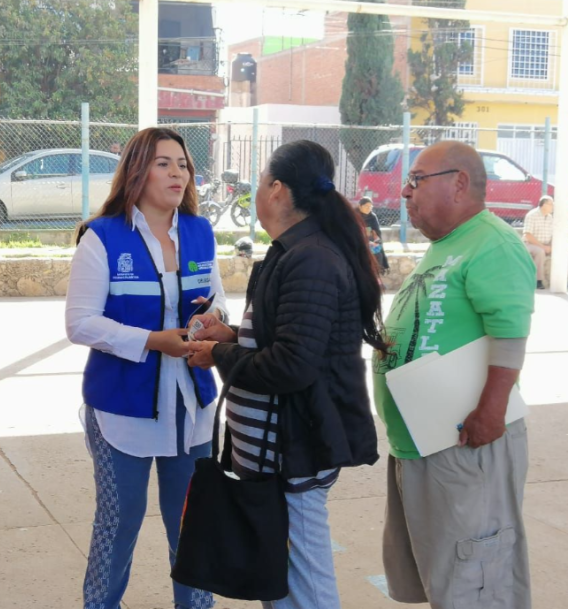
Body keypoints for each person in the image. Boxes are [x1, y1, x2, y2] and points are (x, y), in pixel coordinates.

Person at [186, 140, 385, 608]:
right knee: (284, 584)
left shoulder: (311, 258)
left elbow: (292, 364)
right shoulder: (292, 251)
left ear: (277, 189)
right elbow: (282, 340)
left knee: (305, 588)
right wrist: (229, 336)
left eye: (260, 181)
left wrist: (218, 353)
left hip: (295, 452)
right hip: (276, 455)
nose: (256, 191)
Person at [65, 127, 227, 609]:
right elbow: (80, 323)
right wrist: (152, 341)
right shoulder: (102, 236)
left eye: (183, 164)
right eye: (163, 163)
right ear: (137, 170)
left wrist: (213, 320)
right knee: (118, 524)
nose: (178, 173)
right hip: (121, 410)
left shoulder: (199, 231)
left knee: (192, 526)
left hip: (192, 409)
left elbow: (216, 300)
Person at [372, 141, 536, 609]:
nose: (406, 191)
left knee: (478, 580)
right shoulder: (448, 246)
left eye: (416, 180)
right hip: (424, 441)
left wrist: (491, 410)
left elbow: (509, 334)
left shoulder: (491, 242)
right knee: (446, 581)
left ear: (459, 183)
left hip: (468, 443)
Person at [523, 195, 554, 290]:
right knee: (540, 251)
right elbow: (528, 235)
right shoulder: (532, 215)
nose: (553, 206)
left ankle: (563, 279)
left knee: (562, 251)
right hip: (530, 244)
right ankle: (538, 281)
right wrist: (543, 247)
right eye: (551, 204)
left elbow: (553, 234)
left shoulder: (550, 217)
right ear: (544, 205)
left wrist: (551, 246)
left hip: (545, 244)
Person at [357, 195, 390, 274]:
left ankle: (377, 273)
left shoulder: (372, 217)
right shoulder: (354, 215)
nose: (368, 208)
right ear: (360, 206)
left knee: (378, 253)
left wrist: (375, 240)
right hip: (357, 242)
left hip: (370, 241)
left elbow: (376, 231)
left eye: (370, 206)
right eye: (366, 206)